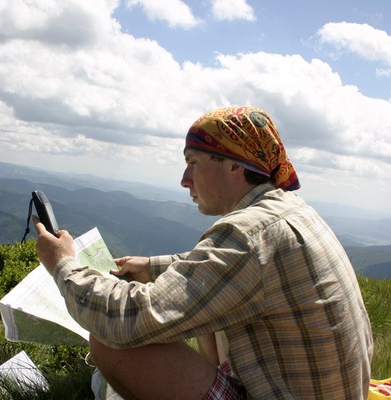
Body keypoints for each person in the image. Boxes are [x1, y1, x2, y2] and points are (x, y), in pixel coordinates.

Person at [34, 106, 373, 400]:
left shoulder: (248, 233)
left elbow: (127, 320)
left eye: (193, 163)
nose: (184, 179)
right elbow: (225, 270)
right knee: (203, 304)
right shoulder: (287, 211)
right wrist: (153, 267)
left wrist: (63, 263)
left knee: (110, 343)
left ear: (234, 166)